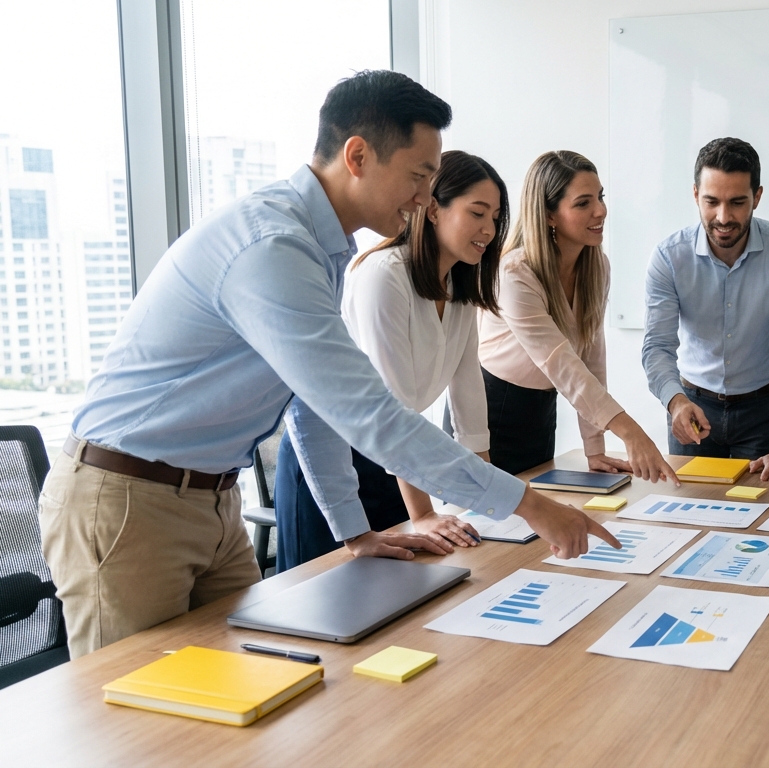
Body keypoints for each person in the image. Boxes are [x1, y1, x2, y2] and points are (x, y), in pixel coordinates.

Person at [38, 71, 616, 658]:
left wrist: (356, 532)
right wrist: (530, 505)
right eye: (419, 177)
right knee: (141, 726)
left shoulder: (322, 249)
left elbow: (311, 405)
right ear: (358, 156)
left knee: (246, 689)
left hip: (213, 501)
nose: (424, 198)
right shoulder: (273, 246)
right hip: (127, 499)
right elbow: (371, 415)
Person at [275, 150, 505, 571]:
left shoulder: (459, 285)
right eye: (477, 213)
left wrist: (488, 499)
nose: (489, 230)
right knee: (330, 614)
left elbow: (469, 395)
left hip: (397, 463)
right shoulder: (385, 275)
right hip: (335, 465)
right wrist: (422, 514)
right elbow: (394, 407)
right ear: (433, 209)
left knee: (398, 604)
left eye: (495, 217)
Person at [480, 151, 679, 484]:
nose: (600, 210)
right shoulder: (515, 273)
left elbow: (590, 359)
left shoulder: (596, 267)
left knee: (538, 519)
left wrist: (595, 448)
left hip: (542, 409)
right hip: (491, 413)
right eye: (583, 203)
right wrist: (631, 433)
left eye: (600, 197)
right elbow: (561, 362)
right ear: (549, 216)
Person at [641, 138, 769, 482]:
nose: (723, 217)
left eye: (737, 203)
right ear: (695, 195)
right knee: (689, 507)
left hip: (763, 410)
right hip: (690, 405)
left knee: (762, 514)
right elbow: (657, 347)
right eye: (711, 202)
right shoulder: (669, 257)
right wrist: (674, 402)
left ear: (757, 198)